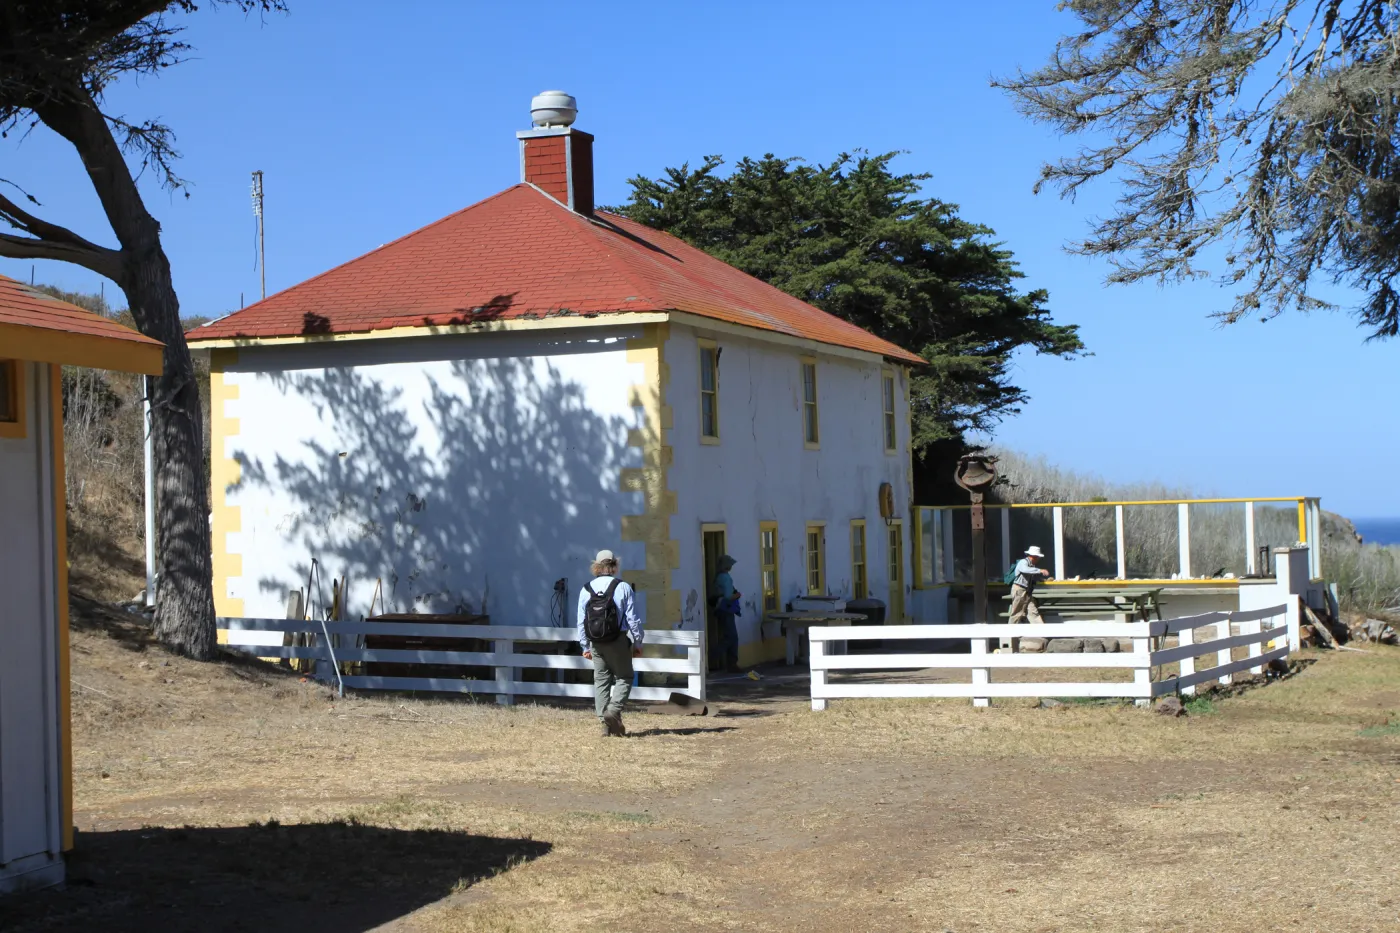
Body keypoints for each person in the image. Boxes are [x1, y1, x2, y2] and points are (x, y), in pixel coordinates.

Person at [577, 549, 644, 737]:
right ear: (614, 565)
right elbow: (633, 619)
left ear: (596, 566)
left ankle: (605, 725)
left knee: (601, 681)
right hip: (618, 640)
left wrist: (584, 646)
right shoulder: (622, 587)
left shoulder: (586, 589)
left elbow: (581, 620)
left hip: (596, 642)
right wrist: (638, 641)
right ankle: (613, 711)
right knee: (625, 677)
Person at [1009, 545, 1052, 625]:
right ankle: (1009, 635)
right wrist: (1040, 570)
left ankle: (1041, 633)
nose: (1038, 559)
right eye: (1038, 557)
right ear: (1034, 556)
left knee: (1033, 612)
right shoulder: (1023, 562)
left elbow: (1029, 577)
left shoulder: (1031, 566)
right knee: (1017, 613)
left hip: (1027, 592)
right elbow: (1025, 570)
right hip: (1020, 590)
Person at [712, 554, 741, 672]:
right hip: (726, 609)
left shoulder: (718, 577)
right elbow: (729, 596)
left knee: (729, 636)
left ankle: (729, 663)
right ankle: (714, 657)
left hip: (720, 610)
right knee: (731, 637)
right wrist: (737, 595)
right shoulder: (725, 578)